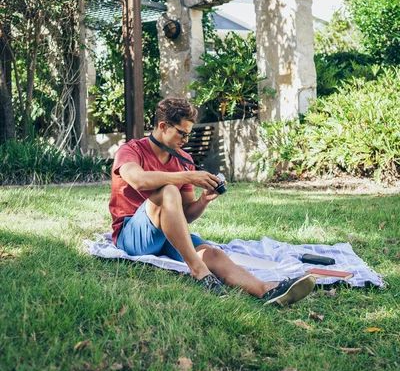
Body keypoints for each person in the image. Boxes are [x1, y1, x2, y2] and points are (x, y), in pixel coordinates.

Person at [109, 97, 316, 305]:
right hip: (131, 235)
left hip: (165, 235)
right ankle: (200, 272)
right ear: (163, 126)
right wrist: (189, 176)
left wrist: (204, 200)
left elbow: (186, 214)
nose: (186, 140)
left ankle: (266, 290)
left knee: (212, 253)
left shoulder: (184, 160)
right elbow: (139, 180)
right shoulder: (130, 150)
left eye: (189, 134)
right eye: (182, 133)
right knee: (169, 191)